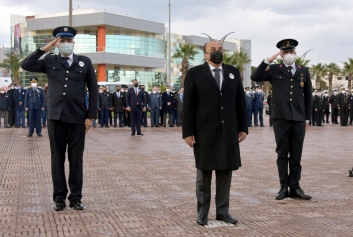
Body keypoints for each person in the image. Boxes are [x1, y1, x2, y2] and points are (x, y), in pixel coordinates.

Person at [21, 26, 98, 211]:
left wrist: (90, 117)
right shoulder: (49, 60)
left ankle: (76, 198)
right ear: (57, 43)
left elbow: (94, 91)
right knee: (57, 159)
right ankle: (59, 198)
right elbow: (26, 65)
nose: (65, 44)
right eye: (61, 41)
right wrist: (45, 48)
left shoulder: (84, 62)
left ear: (73, 43)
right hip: (55, 116)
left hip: (77, 117)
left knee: (76, 159)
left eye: (68, 41)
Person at [183, 36, 248, 226]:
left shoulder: (233, 72)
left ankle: (223, 212)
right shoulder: (195, 73)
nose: (217, 51)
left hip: (228, 131)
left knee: (225, 172)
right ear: (205, 54)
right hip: (204, 131)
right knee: (204, 173)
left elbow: (240, 103)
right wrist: (188, 132)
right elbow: (188, 105)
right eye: (213, 48)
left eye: (220, 48)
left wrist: (243, 128)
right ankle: (202, 212)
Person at [251, 38, 313, 200]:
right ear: (281, 54)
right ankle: (283, 187)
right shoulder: (274, 69)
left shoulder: (303, 70)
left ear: (295, 53)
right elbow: (255, 76)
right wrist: (269, 59)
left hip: (299, 117)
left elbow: (308, 96)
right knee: (282, 153)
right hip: (281, 117)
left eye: (290, 52)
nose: (288, 55)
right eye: (285, 52)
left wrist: (307, 118)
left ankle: (295, 187)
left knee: (296, 154)